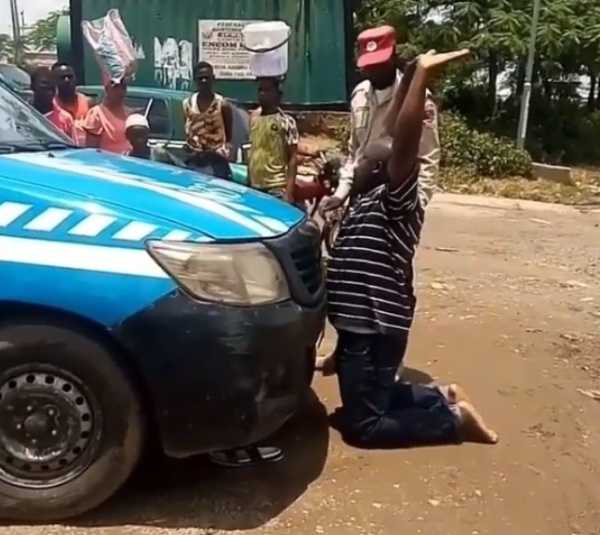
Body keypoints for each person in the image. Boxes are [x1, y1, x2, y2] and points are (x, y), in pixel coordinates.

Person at [326, 49, 498, 448]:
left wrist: (418, 74)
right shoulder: (366, 200)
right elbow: (386, 133)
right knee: (361, 404)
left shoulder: (396, 201)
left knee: (363, 428)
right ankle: (443, 396)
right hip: (359, 331)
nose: (358, 163)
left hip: (375, 331)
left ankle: (454, 422)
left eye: (368, 162)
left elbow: (401, 141)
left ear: (385, 172)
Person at [320, 25, 440, 214]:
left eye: (379, 64)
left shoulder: (419, 101)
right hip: (359, 197)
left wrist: (416, 207)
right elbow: (355, 153)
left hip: (394, 203)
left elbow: (427, 159)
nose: (373, 71)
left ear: (393, 57)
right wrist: (340, 194)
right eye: (368, 66)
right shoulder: (359, 95)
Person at [248, 77, 299, 203]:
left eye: (267, 90)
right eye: (260, 90)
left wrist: (289, 192)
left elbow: (293, 158)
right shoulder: (253, 118)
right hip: (255, 187)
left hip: (275, 187)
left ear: (278, 94)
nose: (262, 94)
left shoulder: (286, 122)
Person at [182, 62, 233, 179]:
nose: (204, 81)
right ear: (195, 80)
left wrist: (226, 149)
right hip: (195, 161)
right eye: (200, 78)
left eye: (207, 78)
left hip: (216, 162)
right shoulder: (187, 104)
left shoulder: (222, 104)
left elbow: (229, 136)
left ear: (213, 79)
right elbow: (187, 128)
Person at [82, 79, 131, 154]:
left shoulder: (128, 113)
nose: (120, 91)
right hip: (107, 162)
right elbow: (91, 150)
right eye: (116, 87)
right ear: (107, 89)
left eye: (123, 87)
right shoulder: (96, 113)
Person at [30, 67, 75, 140]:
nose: (49, 93)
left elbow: (73, 146)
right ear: (32, 87)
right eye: (44, 88)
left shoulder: (65, 119)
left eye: (52, 89)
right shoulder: (23, 116)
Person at [52, 62, 89, 146]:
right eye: (62, 77)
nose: (67, 80)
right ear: (54, 81)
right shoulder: (51, 105)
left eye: (70, 77)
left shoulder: (87, 102)